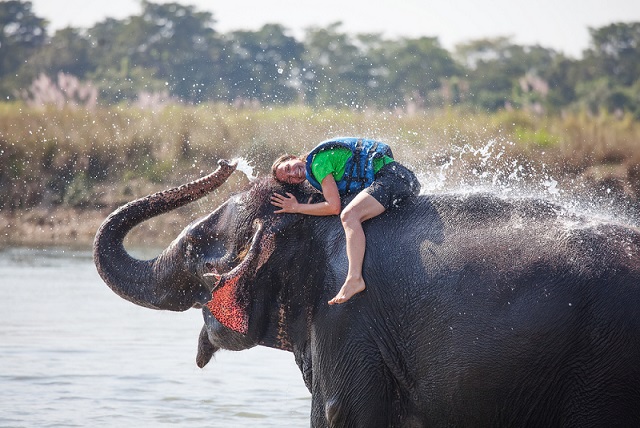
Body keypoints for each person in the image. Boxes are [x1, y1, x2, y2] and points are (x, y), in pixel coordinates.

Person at [270, 137, 421, 305]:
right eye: (289, 179)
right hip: (400, 178)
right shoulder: (318, 169)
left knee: (349, 216)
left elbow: (334, 207)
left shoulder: (318, 164)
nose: (293, 173)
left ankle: (354, 278)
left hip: (393, 178)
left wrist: (296, 207)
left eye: (289, 167)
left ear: (293, 157)